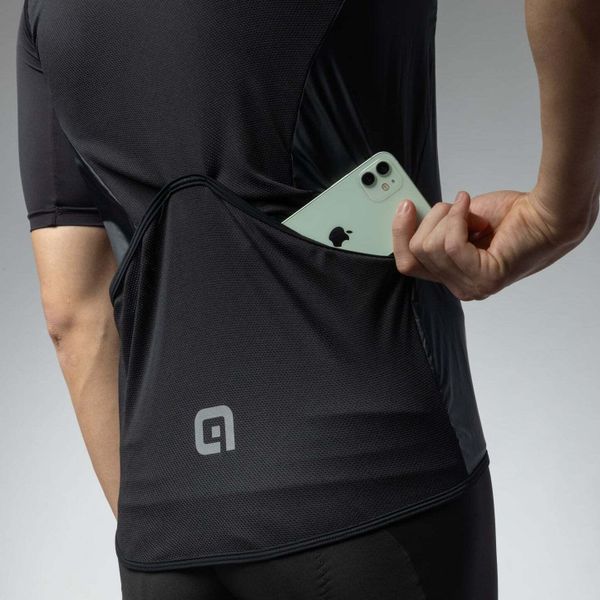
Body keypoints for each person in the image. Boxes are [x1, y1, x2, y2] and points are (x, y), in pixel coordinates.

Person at [15, 0, 599, 598]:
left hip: (166, 531)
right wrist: (560, 211)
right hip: (374, 482)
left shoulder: (45, 12)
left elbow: (73, 316)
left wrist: (176, 521)